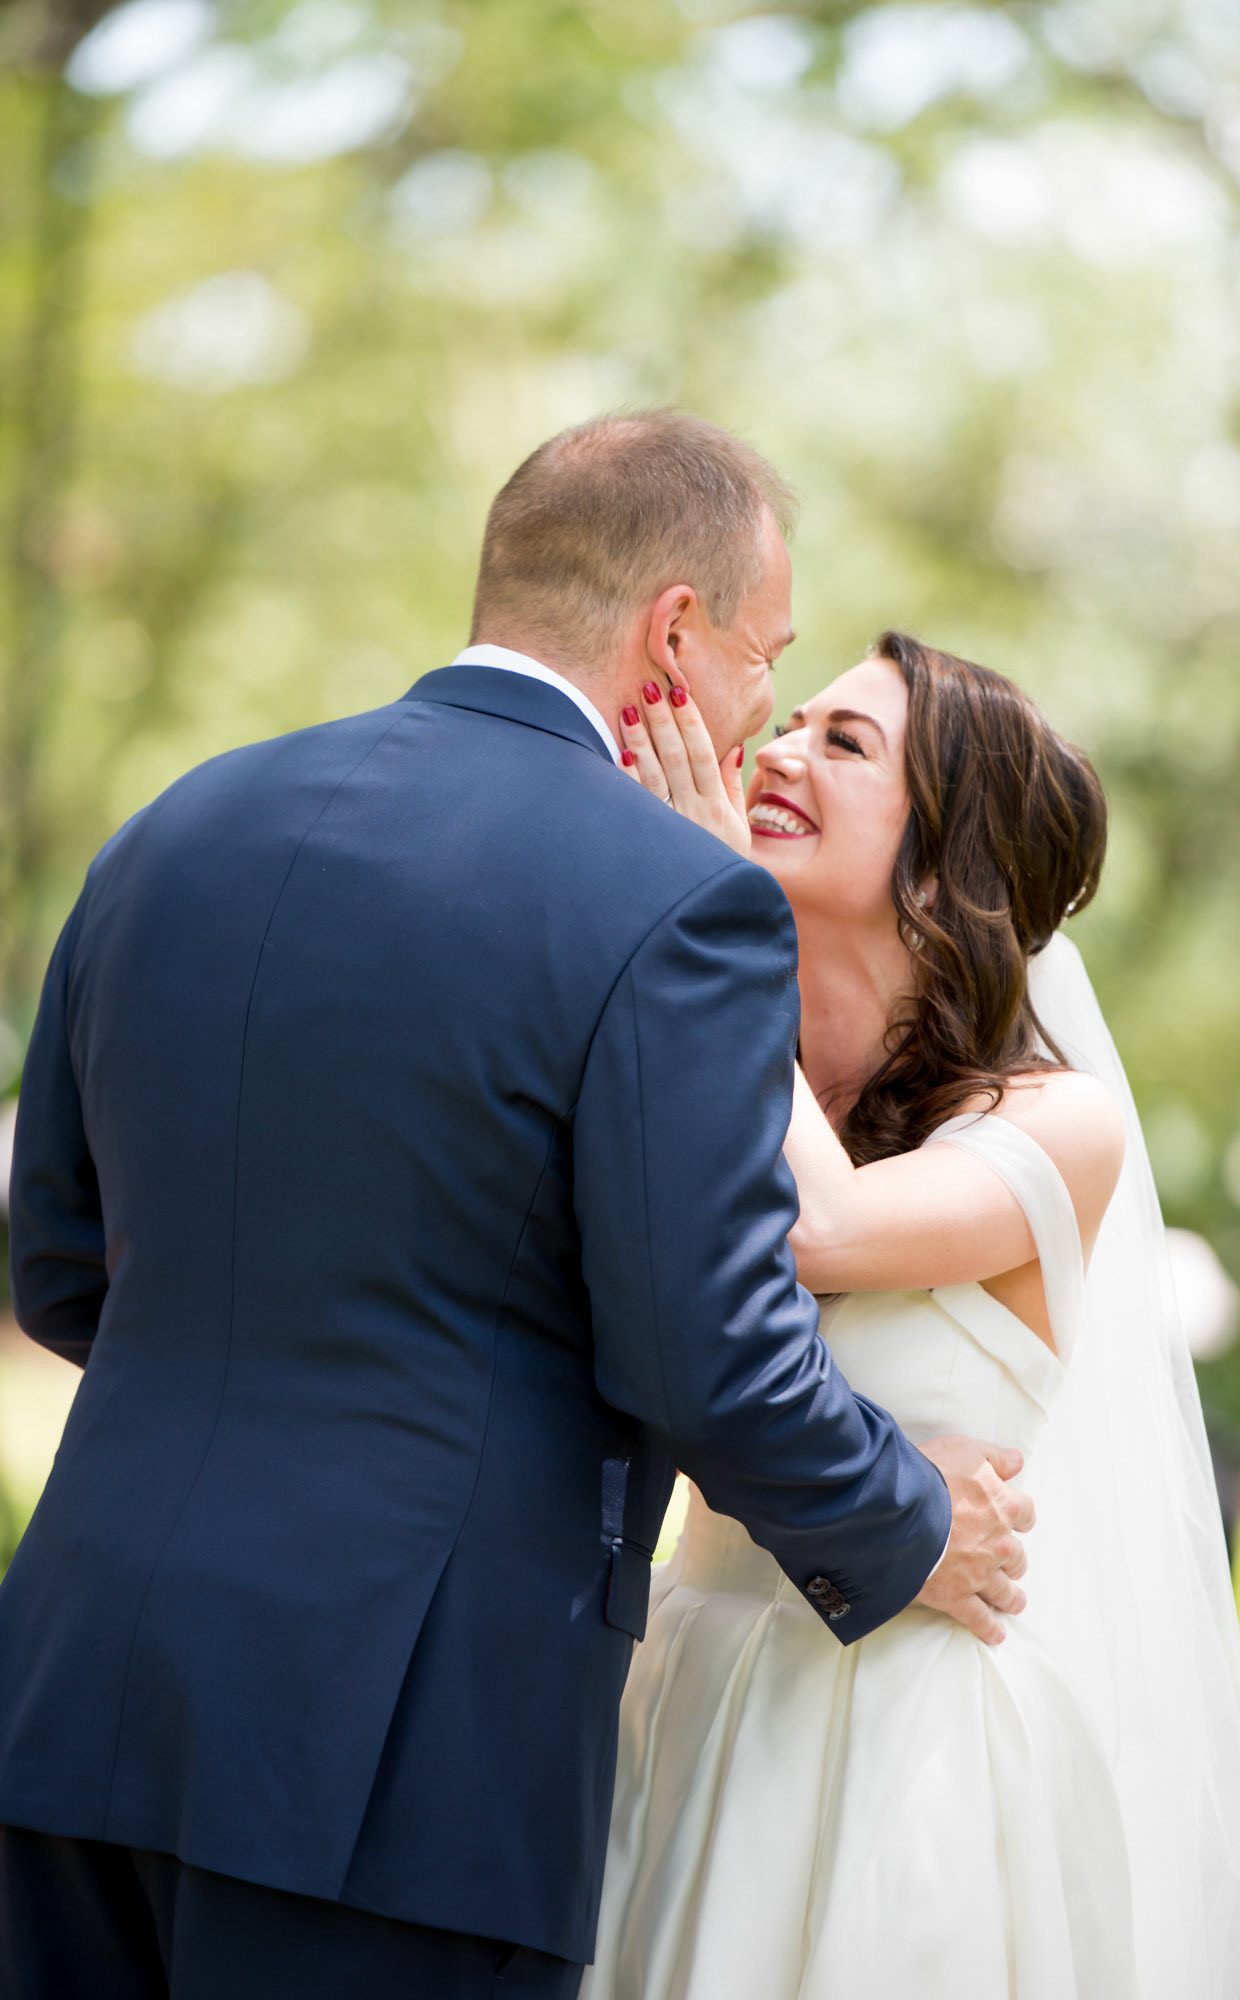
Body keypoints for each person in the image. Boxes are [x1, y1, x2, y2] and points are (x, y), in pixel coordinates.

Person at [0, 414, 1032, 2000]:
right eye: (769, 660)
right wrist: (908, 1524)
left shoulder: (172, 830)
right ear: (673, 638)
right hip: (396, 1755)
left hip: (69, 1702)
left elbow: (66, 1269)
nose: (760, 720)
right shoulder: (674, 900)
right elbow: (710, 1356)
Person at [584, 632, 1240, 1998]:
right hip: (680, 1697)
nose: (779, 752)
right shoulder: (724, 1065)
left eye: (846, 744)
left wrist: (718, 907)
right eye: (792, 719)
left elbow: (825, 1229)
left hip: (900, 1755)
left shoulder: (1058, 1122)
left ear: (942, 869)